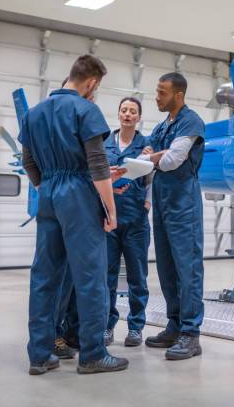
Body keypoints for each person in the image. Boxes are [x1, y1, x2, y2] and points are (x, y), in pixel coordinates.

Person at [19, 54, 128, 375]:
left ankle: (40, 355)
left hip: (49, 194)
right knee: (91, 277)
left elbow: (28, 162)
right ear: (92, 83)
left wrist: (49, 187)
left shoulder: (34, 114)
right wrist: (109, 208)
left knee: (44, 276)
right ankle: (93, 354)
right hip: (79, 197)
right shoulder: (85, 109)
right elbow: (97, 166)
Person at [140, 72, 206, 360]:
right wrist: (154, 156)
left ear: (178, 95)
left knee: (187, 269)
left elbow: (170, 161)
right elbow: (146, 160)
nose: (157, 97)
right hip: (163, 203)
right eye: (157, 91)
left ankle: (191, 334)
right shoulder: (160, 127)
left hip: (183, 205)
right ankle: (175, 324)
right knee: (167, 268)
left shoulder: (191, 122)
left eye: (162, 92)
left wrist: (156, 156)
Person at [102, 97, 152, 347]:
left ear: (139, 117)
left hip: (136, 222)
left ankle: (135, 327)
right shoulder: (105, 144)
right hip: (109, 220)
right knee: (107, 276)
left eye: (133, 111)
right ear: (118, 114)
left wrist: (148, 203)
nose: (128, 114)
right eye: (124, 110)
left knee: (137, 277)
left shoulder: (147, 146)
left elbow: (153, 178)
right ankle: (107, 327)